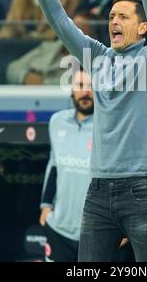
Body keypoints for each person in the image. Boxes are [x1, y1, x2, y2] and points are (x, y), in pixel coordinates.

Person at [18, 0, 147, 262]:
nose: (113, 21)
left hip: (142, 188)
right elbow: (61, 24)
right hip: (99, 189)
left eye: (124, 17)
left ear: (142, 28)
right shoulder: (99, 59)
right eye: (112, 16)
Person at [39, 69, 94, 262]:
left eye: (91, 86)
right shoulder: (57, 122)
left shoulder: (110, 127)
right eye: (80, 85)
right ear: (71, 89)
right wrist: (45, 207)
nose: (85, 92)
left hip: (96, 235)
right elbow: (53, 165)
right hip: (59, 230)